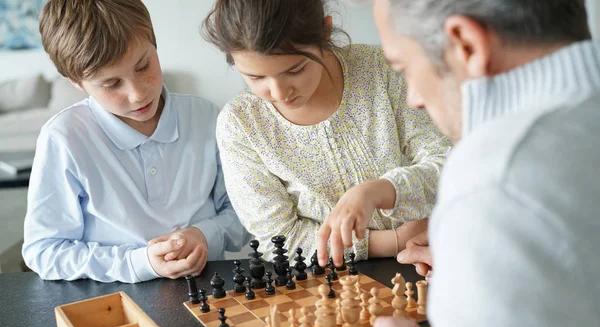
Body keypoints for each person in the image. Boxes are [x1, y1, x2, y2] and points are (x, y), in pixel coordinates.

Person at [350, 0, 600, 327]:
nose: (414, 96)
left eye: (404, 69)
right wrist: (490, 270)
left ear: (466, 44)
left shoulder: (496, 178)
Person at [202, 0, 450, 263]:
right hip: (328, 283)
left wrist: (381, 190)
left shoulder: (383, 70)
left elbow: (448, 162)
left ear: (325, 32)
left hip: (435, 255)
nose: (279, 93)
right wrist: (393, 242)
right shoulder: (240, 123)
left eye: (295, 70)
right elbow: (278, 238)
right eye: (256, 78)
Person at [22, 0, 248, 283]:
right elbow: (43, 252)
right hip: (115, 304)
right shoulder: (63, 139)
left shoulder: (207, 116)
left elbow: (244, 213)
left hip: (210, 290)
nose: (138, 94)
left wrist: (205, 234)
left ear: (154, 43)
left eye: (143, 66)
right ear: (76, 82)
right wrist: (138, 263)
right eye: (112, 84)